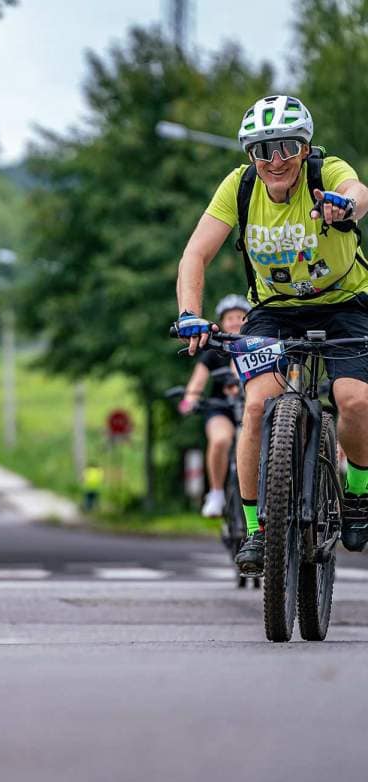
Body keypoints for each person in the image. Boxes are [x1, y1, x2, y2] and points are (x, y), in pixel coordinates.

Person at [175, 95, 368, 573]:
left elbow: (358, 190)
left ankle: (358, 493)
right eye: (263, 150)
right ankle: (258, 531)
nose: (275, 160)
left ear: (304, 149)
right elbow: (194, 255)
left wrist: (346, 207)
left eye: (286, 147)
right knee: (258, 406)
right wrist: (190, 313)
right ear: (250, 156)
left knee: (354, 401)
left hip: (346, 304)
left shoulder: (326, 173)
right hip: (274, 311)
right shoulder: (238, 188)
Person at [179, 294, 249, 517]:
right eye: (230, 318)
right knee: (220, 440)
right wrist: (190, 399)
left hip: (250, 408)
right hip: (221, 408)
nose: (236, 321)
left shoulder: (256, 347)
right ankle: (217, 493)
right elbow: (198, 381)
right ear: (222, 322)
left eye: (240, 316)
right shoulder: (212, 350)